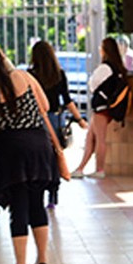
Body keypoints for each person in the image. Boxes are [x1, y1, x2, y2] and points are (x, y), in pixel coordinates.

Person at [0, 43, 60, 264]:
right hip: (38, 146)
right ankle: (41, 260)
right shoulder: (23, 76)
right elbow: (46, 106)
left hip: (10, 151)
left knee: (18, 207)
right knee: (37, 203)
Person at [28, 40, 87, 208]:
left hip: (37, 119)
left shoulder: (31, 74)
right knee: (55, 154)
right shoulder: (59, 74)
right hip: (55, 118)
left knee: (39, 156)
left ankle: (39, 188)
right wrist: (80, 119)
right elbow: (67, 100)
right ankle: (53, 194)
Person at [71, 37, 126, 179]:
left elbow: (92, 84)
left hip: (101, 107)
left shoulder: (105, 67)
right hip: (108, 107)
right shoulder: (118, 67)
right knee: (90, 137)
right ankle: (81, 168)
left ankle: (99, 169)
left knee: (100, 138)